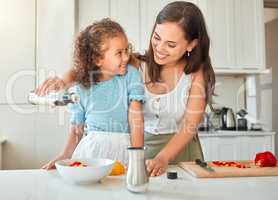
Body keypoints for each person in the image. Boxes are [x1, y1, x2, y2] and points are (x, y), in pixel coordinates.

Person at [38, 1, 215, 176]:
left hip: (183, 155)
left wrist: (163, 158)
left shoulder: (197, 73)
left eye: (171, 44)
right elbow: (92, 67)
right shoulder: (135, 63)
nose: (159, 49)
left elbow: (190, 125)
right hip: (141, 152)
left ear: (191, 44)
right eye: (157, 38)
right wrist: (63, 81)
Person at [42, 18, 145, 170]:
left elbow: (136, 119)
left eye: (126, 50)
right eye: (119, 53)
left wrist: (137, 157)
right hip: (90, 153)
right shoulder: (82, 87)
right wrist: (65, 155)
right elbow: (77, 129)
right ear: (98, 59)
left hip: (123, 151)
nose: (126, 57)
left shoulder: (131, 75)